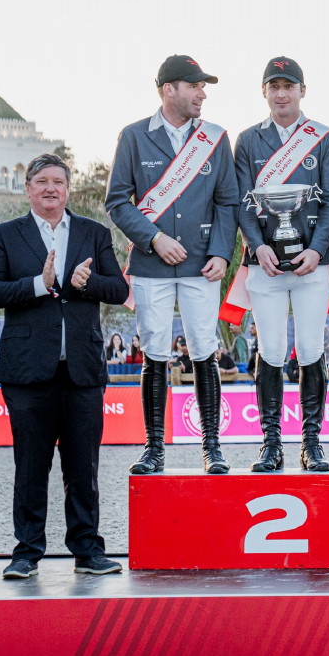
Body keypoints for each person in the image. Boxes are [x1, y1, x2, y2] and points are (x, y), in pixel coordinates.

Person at [0, 153, 128, 578]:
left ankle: (88, 551)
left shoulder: (94, 233)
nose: (50, 188)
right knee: (30, 467)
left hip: (82, 371)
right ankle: (26, 553)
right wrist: (38, 285)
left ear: (67, 189)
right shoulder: (5, 234)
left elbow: (118, 290)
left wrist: (87, 283)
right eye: (41, 181)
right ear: (28, 188)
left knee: (83, 468)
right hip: (27, 372)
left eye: (58, 181)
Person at [107, 54, 239, 475]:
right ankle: (154, 448)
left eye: (203, 88)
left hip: (203, 265)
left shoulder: (216, 138)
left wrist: (221, 252)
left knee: (205, 351)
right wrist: (154, 238)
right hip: (152, 264)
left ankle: (212, 447)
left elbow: (228, 202)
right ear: (170, 89)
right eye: (195, 86)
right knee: (155, 354)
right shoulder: (133, 136)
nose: (202, 94)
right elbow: (117, 201)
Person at [234, 56, 329, 473]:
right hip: (265, 264)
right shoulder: (247, 140)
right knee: (272, 350)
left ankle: (311, 443)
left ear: (302, 90)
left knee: (311, 348)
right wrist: (256, 244)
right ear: (264, 92)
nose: (282, 94)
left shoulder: (325, 138)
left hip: (312, 263)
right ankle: (271, 444)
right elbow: (241, 200)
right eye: (274, 86)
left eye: (288, 86)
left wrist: (316, 249)